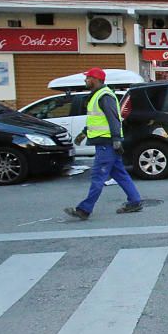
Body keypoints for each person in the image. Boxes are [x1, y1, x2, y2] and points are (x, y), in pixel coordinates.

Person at [64, 68, 143, 220]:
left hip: (107, 144)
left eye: (88, 78)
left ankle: (84, 210)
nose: (86, 80)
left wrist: (116, 140)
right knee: (119, 173)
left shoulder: (104, 96)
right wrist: (84, 133)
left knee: (98, 177)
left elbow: (113, 119)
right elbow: (98, 120)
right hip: (106, 142)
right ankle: (134, 201)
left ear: (96, 79)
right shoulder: (98, 96)